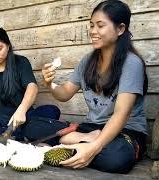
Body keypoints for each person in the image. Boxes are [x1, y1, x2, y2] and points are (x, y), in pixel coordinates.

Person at [42, 0, 148, 173]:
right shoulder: (87, 61)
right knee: (33, 127)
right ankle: (82, 140)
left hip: (126, 132)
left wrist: (94, 147)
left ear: (120, 29)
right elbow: (64, 94)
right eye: (91, 25)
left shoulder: (131, 63)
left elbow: (121, 114)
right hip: (92, 128)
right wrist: (49, 84)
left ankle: (73, 143)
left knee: (116, 158)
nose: (93, 31)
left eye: (100, 26)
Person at [0, 27, 61, 141]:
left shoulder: (21, 62)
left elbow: (32, 86)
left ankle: (9, 134)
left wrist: (21, 110)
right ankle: (24, 134)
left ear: (8, 46)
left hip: (24, 117)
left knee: (52, 111)